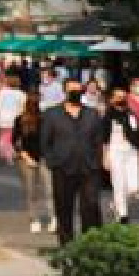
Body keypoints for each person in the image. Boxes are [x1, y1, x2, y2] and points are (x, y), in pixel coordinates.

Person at [40, 79, 105, 244]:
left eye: (78, 90)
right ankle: (66, 244)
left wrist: (99, 162)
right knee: (63, 208)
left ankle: (90, 242)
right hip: (63, 168)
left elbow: (99, 141)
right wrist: (53, 161)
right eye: (72, 90)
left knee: (90, 205)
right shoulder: (52, 114)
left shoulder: (92, 114)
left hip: (88, 167)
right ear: (65, 92)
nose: (75, 93)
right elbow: (45, 142)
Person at [13, 92, 53, 235]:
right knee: (31, 191)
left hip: (44, 157)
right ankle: (34, 219)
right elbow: (15, 140)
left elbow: (50, 139)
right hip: (26, 158)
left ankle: (52, 217)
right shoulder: (20, 120)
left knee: (49, 189)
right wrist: (25, 156)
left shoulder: (45, 118)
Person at [103, 87, 139, 223]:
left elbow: (137, 133)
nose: (121, 99)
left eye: (123, 97)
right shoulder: (107, 116)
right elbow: (104, 138)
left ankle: (116, 204)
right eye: (117, 97)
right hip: (115, 151)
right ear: (112, 99)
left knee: (133, 187)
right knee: (118, 183)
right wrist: (105, 156)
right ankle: (123, 215)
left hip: (131, 151)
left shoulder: (131, 114)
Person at [0, 75, 25, 163]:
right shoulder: (21, 93)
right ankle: (9, 155)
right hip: (14, 118)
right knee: (10, 137)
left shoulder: (2, 92)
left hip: (2, 117)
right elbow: (22, 107)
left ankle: (4, 153)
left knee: (2, 136)